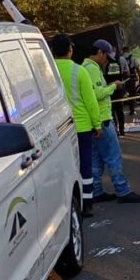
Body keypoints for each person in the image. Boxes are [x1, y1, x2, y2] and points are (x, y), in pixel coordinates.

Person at [84, 39, 140, 203]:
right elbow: (97, 95)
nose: (107, 61)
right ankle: (123, 190)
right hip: (102, 120)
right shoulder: (92, 69)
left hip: (92, 122)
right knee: (114, 156)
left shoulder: (84, 68)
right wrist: (113, 86)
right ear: (99, 52)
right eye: (106, 57)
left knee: (96, 159)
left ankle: (96, 191)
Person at [49, 33, 103, 218]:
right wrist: (97, 125)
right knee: (85, 165)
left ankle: (67, 205)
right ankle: (86, 203)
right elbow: (91, 101)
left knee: (65, 168)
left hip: (58, 129)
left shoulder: (46, 71)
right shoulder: (79, 71)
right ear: (70, 50)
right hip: (81, 126)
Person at [103, 43, 131, 135]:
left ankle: (115, 131)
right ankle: (122, 131)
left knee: (112, 110)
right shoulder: (121, 59)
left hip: (109, 89)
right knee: (120, 110)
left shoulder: (105, 61)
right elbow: (127, 73)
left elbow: (103, 75)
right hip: (119, 89)